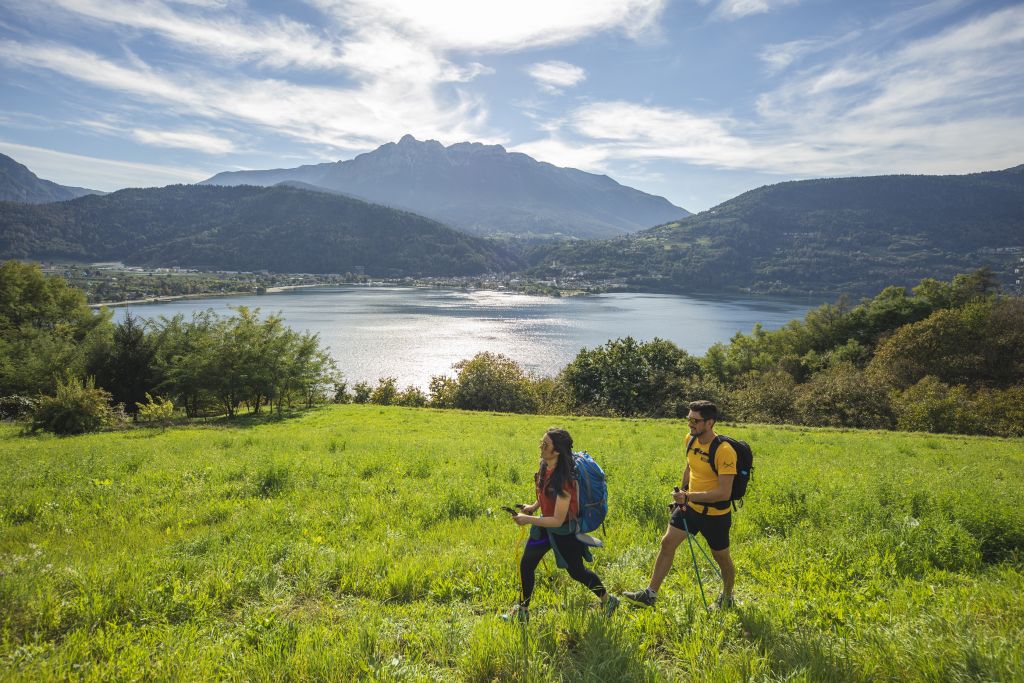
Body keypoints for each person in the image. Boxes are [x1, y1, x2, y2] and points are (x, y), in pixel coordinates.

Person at [623, 400, 737, 609]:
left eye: (695, 420)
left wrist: (689, 496)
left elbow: (724, 492)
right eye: (688, 419)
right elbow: (690, 468)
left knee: (721, 557)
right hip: (689, 508)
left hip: (715, 515)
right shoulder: (690, 440)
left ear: (710, 423)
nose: (690, 424)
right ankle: (650, 595)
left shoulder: (725, 450)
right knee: (667, 543)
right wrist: (682, 495)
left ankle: (727, 597)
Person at [504, 428, 618, 621]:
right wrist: (533, 507)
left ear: (556, 451)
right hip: (543, 528)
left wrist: (527, 519)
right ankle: (522, 611)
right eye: (542, 442)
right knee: (526, 565)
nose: (541, 446)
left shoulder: (565, 481)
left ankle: (608, 600)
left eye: (545, 445)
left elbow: (557, 519)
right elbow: (544, 493)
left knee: (577, 572)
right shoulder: (544, 465)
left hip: (563, 531)